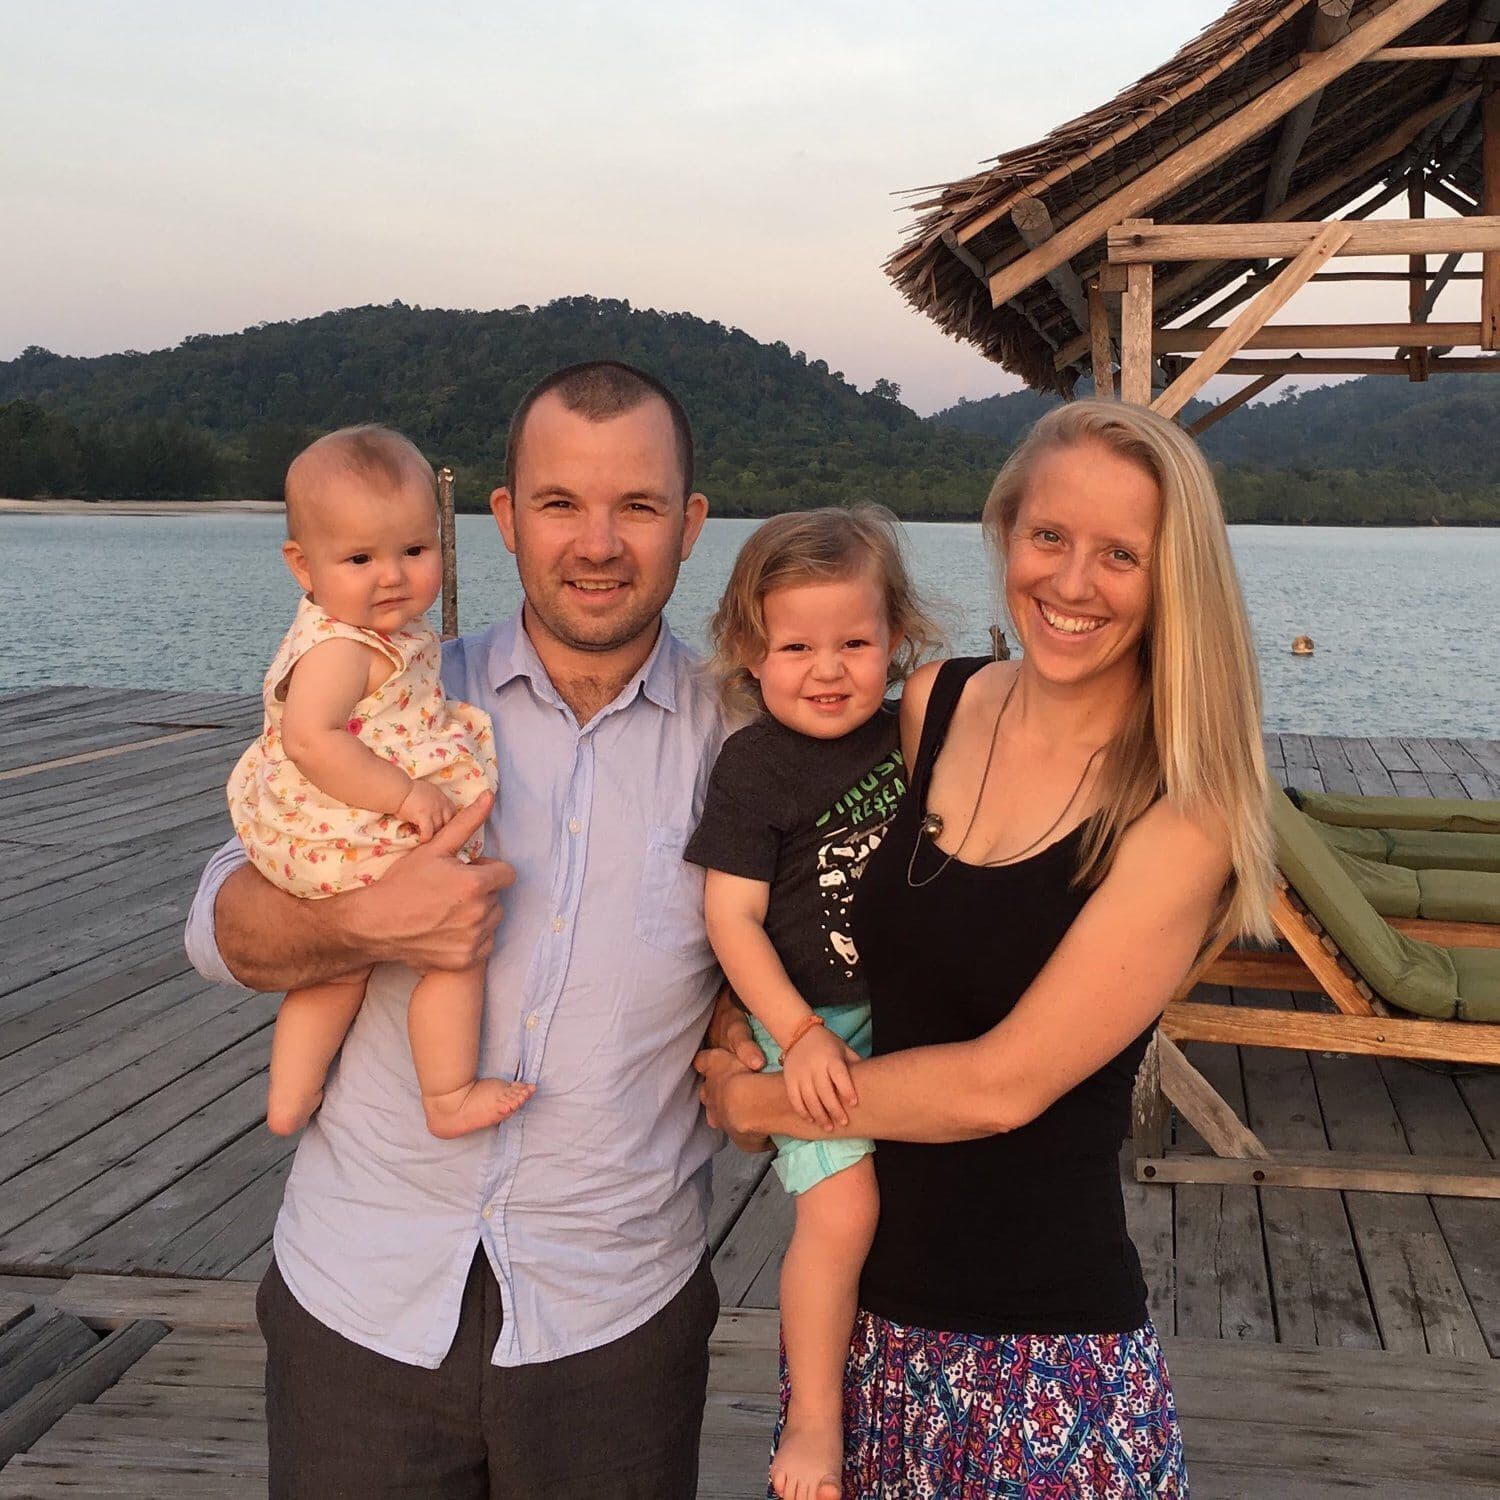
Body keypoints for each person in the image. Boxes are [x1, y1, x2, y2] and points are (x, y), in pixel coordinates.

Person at [185, 361, 760, 1498]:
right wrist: (362, 923)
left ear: (692, 525)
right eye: (558, 504)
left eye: (637, 506)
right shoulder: (394, 699)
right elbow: (219, 929)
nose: (596, 543)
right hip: (361, 1301)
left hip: (615, 1318)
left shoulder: (746, 747)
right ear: (503, 519)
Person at [697, 399, 1274, 1498]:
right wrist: (745, 1018)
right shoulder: (934, 703)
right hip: (866, 1328)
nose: (1070, 582)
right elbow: (816, 899)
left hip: (1045, 1357)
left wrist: (756, 1102)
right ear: (1005, 528)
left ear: (1172, 582)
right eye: (1049, 536)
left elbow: (999, 1089)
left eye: (1121, 555)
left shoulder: (1181, 808)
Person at [684, 507, 941, 1500]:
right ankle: (814, 1426)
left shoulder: (911, 740)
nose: (826, 669)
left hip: (907, 1010)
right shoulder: (754, 768)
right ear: (751, 652)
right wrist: (792, 1035)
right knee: (842, 1213)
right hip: (812, 1023)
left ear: (898, 641)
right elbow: (732, 919)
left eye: (854, 643)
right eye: (796, 646)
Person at [227, 424, 529, 1141]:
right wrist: (405, 795)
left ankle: (288, 1101)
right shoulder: (340, 646)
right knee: (458, 948)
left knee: (335, 974)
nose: (391, 576)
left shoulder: (369, 630)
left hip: (317, 832)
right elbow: (308, 737)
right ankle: (447, 1094)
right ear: (303, 565)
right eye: (359, 557)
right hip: (340, 829)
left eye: (414, 552)